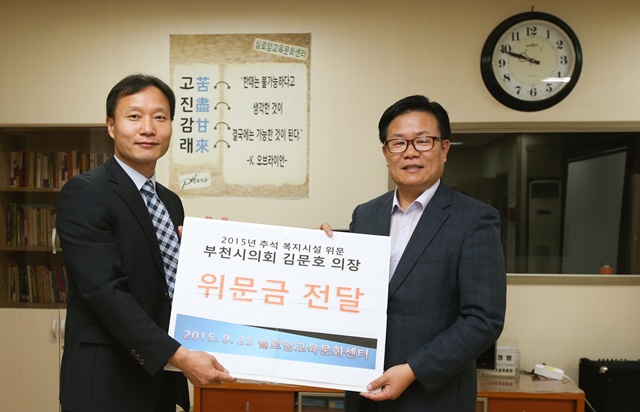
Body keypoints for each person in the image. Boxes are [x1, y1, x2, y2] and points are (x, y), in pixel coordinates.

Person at [57, 74, 235, 412]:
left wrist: (212, 255)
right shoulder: (86, 192)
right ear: (111, 126)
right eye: (134, 116)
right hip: (106, 382)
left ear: (171, 126)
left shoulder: (170, 202)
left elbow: (167, 285)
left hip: (160, 380)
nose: (148, 128)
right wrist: (177, 354)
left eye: (160, 117)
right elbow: (104, 292)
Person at [321, 95, 506, 411]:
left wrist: (413, 370)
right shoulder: (365, 215)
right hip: (365, 392)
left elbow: (483, 319)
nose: (410, 152)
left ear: (444, 149)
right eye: (398, 143)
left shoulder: (475, 219)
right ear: (386, 153)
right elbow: (351, 295)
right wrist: (323, 254)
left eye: (422, 141)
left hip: (432, 397)